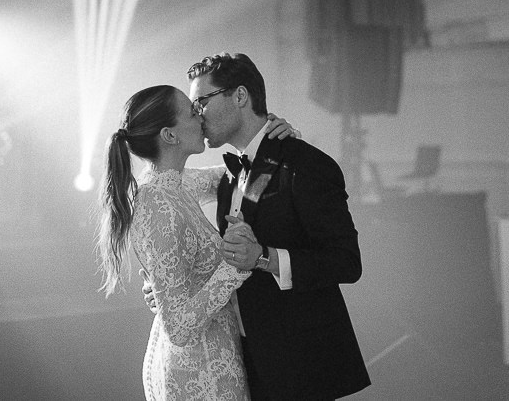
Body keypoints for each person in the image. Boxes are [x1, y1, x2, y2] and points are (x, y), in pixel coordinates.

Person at [187, 52, 371, 401]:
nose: (197, 114)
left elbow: (347, 262)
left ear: (240, 96)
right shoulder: (230, 176)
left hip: (302, 366)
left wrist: (263, 257)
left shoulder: (306, 164)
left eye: (202, 102)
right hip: (246, 363)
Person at [96, 83, 296, 401]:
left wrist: (279, 141)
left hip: (216, 357)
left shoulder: (177, 183)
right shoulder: (156, 203)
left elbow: (247, 178)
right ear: (169, 135)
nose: (201, 116)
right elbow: (178, 328)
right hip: (198, 373)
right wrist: (236, 264)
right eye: (192, 111)